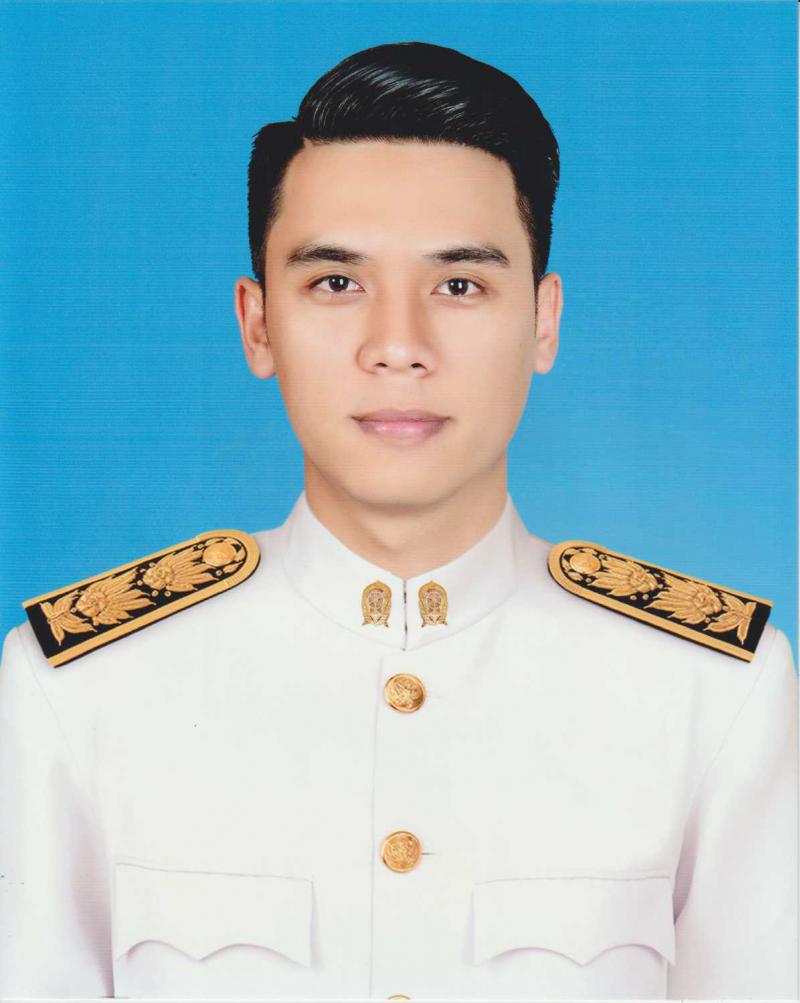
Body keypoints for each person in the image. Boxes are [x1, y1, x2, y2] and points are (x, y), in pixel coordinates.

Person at [0, 40, 796, 1002]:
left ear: (543, 320)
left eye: (459, 285)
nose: (398, 346)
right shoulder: (80, 688)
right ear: (258, 323)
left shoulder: (713, 691)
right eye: (337, 283)